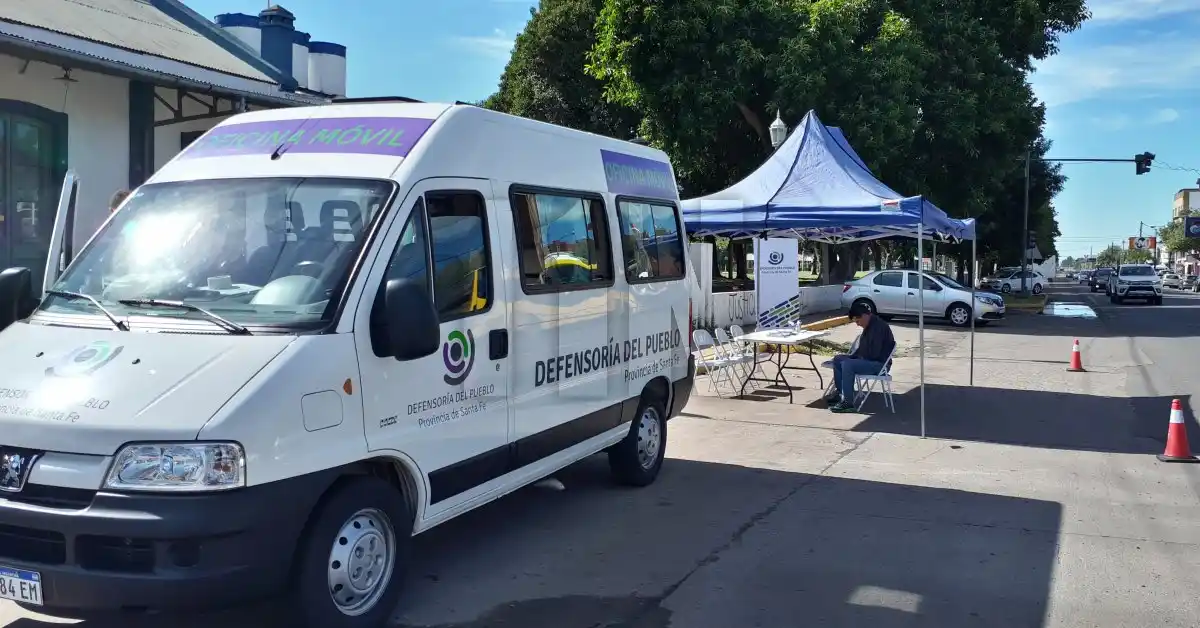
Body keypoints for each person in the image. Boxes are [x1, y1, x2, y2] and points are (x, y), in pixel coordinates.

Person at [825, 302, 895, 413]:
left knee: (848, 365)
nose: (857, 324)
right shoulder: (869, 325)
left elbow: (874, 354)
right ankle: (840, 393)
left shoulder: (878, 328)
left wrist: (856, 359)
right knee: (838, 359)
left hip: (879, 365)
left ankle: (848, 403)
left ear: (865, 315)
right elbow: (863, 349)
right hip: (869, 360)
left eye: (858, 321)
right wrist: (853, 356)